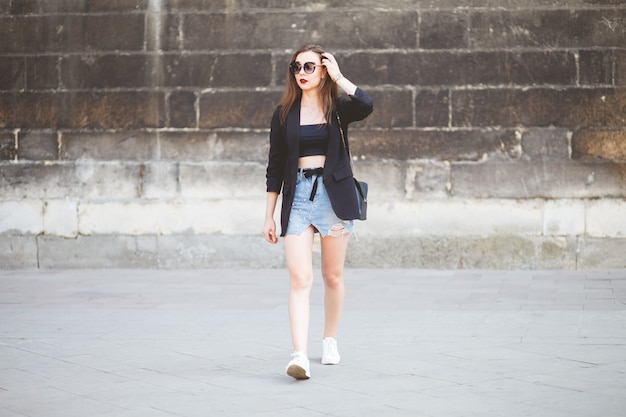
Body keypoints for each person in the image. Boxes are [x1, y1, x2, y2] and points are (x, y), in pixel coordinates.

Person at [263, 44, 373, 380]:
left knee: (332, 276)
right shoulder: (283, 114)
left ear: (323, 69)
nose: (301, 73)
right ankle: (299, 355)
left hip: (333, 199)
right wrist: (269, 214)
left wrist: (339, 76)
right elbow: (275, 165)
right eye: (296, 67)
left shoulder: (338, 108)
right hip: (297, 200)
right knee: (300, 279)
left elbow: (366, 104)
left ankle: (329, 339)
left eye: (310, 67)